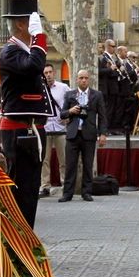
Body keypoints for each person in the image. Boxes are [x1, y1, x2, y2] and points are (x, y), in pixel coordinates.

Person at [0, 0, 56, 228]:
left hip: (32, 129)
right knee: (21, 190)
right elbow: (34, 66)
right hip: (19, 131)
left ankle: (25, 239)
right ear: (22, 25)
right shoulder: (11, 52)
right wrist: (39, 39)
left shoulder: (25, 51)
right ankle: (18, 242)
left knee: (30, 190)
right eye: (34, 23)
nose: (37, 29)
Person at [58, 70, 108, 202]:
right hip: (73, 134)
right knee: (70, 165)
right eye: (81, 78)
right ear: (77, 80)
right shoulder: (70, 94)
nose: (84, 80)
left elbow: (102, 116)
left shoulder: (96, 95)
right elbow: (62, 114)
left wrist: (103, 133)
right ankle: (67, 193)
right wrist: (70, 111)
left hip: (89, 134)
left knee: (88, 164)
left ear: (89, 79)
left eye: (86, 78)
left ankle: (86, 192)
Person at [40, 63, 70, 197]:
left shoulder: (63, 88)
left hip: (60, 128)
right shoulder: (39, 89)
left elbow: (73, 102)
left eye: (50, 72)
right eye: (45, 73)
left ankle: (65, 185)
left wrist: (68, 115)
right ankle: (45, 186)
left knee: (63, 159)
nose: (48, 75)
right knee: (44, 160)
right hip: (45, 129)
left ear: (54, 73)